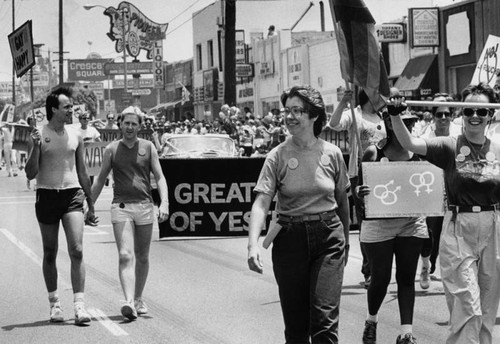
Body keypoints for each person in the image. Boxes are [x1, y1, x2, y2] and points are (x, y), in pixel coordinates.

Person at [389, 82, 500, 344]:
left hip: (494, 226)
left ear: (490, 116)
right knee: (467, 308)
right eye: (469, 110)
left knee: (486, 310)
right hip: (459, 226)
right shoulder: (448, 145)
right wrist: (395, 115)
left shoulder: (498, 148)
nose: (475, 116)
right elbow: (410, 143)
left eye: (481, 112)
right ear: (461, 113)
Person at [247, 85, 350, 343]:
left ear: (314, 115)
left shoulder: (332, 153)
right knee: (296, 328)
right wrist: (252, 245)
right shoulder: (277, 155)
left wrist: (345, 242)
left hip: (328, 238)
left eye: (297, 111)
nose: (289, 116)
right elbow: (261, 203)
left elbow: (342, 201)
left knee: (324, 323)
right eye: (287, 111)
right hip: (289, 240)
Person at [25, 86, 96, 325]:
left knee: (76, 249)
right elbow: (31, 173)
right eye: (67, 107)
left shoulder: (76, 134)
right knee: (50, 252)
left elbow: (83, 172)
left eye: (71, 107)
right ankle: (54, 304)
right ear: (54, 109)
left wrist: (91, 202)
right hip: (46, 195)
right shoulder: (38, 133)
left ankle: (79, 306)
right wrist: (35, 146)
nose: (71, 110)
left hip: (72, 195)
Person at [91, 105, 169, 321]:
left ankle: (138, 298)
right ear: (120, 124)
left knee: (142, 256)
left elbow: (160, 177)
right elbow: (99, 179)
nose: (130, 127)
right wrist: (90, 205)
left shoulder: (149, 147)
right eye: (126, 123)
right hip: (121, 207)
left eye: (134, 124)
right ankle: (127, 301)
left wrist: (164, 203)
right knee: (126, 255)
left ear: (140, 126)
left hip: (144, 206)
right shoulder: (112, 149)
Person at [356, 110, 427, 344]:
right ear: (388, 123)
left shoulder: (420, 153)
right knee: (380, 279)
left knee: (406, 277)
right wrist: (359, 193)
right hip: (378, 225)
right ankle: (371, 320)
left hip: (410, 222)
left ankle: (406, 333)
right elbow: (359, 190)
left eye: (409, 122)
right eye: (399, 122)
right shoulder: (373, 152)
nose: (404, 126)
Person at [328, 88, 388, 288]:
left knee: (384, 222)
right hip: (361, 173)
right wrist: (343, 102)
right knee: (367, 222)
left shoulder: (383, 115)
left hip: (384, 174)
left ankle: (382, 266)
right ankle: (369, 269)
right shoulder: (355, 114)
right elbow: (334, 124)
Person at [418, 94, 457, 290]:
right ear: (433, 117)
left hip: (454, 193)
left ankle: (451, 276)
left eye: (447, 114)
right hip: (431, 192)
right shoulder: (425, 139)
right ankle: (426, 265)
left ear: (452, 116)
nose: (443, 118)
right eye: (439, 114)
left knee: (451, 235)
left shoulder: (460, 135)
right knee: (430, 234)